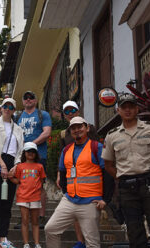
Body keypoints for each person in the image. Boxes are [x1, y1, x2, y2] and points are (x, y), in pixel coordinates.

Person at [102, 93, 150, 247]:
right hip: (127, 190)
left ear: (137, 109)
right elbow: (108, 165)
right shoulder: (111, 136)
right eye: (124, 107)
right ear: (118, 110)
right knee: (135, 233)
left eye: (131, 107)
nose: (128, 110)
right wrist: (121, 177)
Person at [45, 117, 113, 248]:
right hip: (69, 200)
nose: (77, 130)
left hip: (90, 202)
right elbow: (63, 174)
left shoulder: (96, 147)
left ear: (86, 128)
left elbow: (108, 174)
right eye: (73, 128)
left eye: (80, 127)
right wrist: (66, 192)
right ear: (70, 131)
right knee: (51, 229)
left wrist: (105, 199)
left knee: (92, 243)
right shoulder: (66, 150)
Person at [56, 101, 100, 248]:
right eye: (66, 111)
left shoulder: (90, 128)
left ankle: (89, 241)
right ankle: (80, 241)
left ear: (78, 110)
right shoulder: (64, 133)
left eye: (72, 110)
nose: (70, 113)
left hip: (88, 174)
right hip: (72, 177)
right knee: (74, 210)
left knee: (88, 213)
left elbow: (96, 149)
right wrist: (59, 174)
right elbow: (62, 155)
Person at [0, 98, 24, 248]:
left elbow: (20, 151)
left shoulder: (19, 129)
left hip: (12, 164)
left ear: (14, 110)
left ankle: (3, 237)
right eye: (5, 106)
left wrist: (17, 165)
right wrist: (2, 165)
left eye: (11, 107)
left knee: (6, 204)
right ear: (1, 108)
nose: (7, 109)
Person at [16, 91, 51, 226]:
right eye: (26, 98)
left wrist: (31, 145)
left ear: (36, 101)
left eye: (31, 97)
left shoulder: (43, 115)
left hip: (39, 154)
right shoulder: (18, 116)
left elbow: (47, 132)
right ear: (23, 101)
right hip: (22, 156)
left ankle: (41, 216)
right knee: (22, 184)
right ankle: (24, 216)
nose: (28, 100)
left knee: (39, 185)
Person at [8, 142, 45, 248]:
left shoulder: (40, 166)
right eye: (28, 151)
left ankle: (37, 243)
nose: (31, 153)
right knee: (24, 220)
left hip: (35, 197)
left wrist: (36, 188)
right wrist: (11, 178)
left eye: (33, 151)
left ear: (36, 153)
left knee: (35, 221)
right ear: (24, 153)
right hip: (22, 196)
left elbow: (42, 180)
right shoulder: (19, 166)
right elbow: (18, 181)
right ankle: (26, 243)